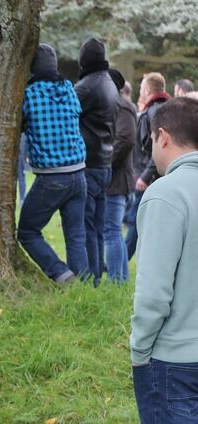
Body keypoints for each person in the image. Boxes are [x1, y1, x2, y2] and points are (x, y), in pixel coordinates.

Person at [130, 97, 198, 424]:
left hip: (173, 360)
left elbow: (153, 293)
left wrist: (139, 351)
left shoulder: (165, 194)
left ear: (162, 137)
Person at [17, 44, 88, 284]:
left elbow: (20, 124)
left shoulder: (29, 94)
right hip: (79, 174)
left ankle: (62, 274)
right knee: (76, 234)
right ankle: (82, 285)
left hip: (51, 177)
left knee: (27, 232)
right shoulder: (69, 89)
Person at [73, 37, 118, 286]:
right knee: (98, 226)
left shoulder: (87, 86)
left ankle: (91, 280)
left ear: (83, 60)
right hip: (106, 163)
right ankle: (97, 276)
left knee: (87, 226)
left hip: (90, 164)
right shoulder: (110, 82)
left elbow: (65, 107)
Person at [128, 72, 171, 259]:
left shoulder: (154, 113)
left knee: (135, 222)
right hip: (159, 177)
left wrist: (145, 176)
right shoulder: (169, 110)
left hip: (148, 178)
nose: (140, 92)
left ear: (146, 90)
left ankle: (118, 266)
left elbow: (158, 149)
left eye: (141, 88)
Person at [104, 69, 136, 284]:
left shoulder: (122, 106)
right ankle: (121, 278)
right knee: (112, 231)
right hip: (118, 180)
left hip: (117, 181)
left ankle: (117, 281)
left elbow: (125, 139)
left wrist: (104, 163)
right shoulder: (119, 105)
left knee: (112, 231)